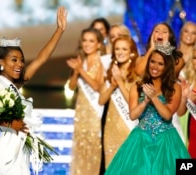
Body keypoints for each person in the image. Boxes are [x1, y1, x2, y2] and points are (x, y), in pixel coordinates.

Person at [0, 7, 67, 175]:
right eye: (14, 60)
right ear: (1, 62)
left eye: (21, 60)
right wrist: (10, 124)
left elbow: (41, 59)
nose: (20, 64)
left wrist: (60, 30)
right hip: (6, 151)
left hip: (20, 149)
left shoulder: (15, 85)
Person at [104, 43, 190, 175]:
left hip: (166, 141)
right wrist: (144, 101)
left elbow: (167, 115)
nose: (154, 67)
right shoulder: (137, 87)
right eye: (152, 62)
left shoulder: (175, 87)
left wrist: (154, 98)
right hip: (140, 140)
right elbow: (133, 115)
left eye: (160, 64)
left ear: (166, 66)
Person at [134, 22, 186, 142]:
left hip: (168, 111)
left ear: (171, 37)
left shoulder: (178, 60)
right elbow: (140, 72)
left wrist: (164, 50)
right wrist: (152, 49)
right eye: (157, 31)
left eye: (164, 32)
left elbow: (167, 73)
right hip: (146, 119)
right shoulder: (142, 58)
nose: (160, 33)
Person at [66, 27, 106, 175]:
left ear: (99, 44)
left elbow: (98, 87)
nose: (87, 44)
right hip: (81, 112)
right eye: (84, 40)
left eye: (91, 41)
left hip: (96, 113)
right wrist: (76, 71)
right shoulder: (80, 60)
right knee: (80, 148)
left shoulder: (103, 62)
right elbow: (71, 86)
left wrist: (81, 70)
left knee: (94, 150)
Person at [99, 36, 139, 169]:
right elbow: (101, 100)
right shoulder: (112, 71)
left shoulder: (137, 74)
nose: (120, 52)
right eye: (117, 49)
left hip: (129, 128)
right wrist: (112, 85)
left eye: (124, 49)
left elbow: (134, 103)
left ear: (132, 52)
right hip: (110, 130)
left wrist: (120, 83)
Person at [177, 47, 196, 158]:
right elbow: (180, 113)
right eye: (195, 58)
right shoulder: (190, 82)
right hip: (192, 135)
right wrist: (184, 98)